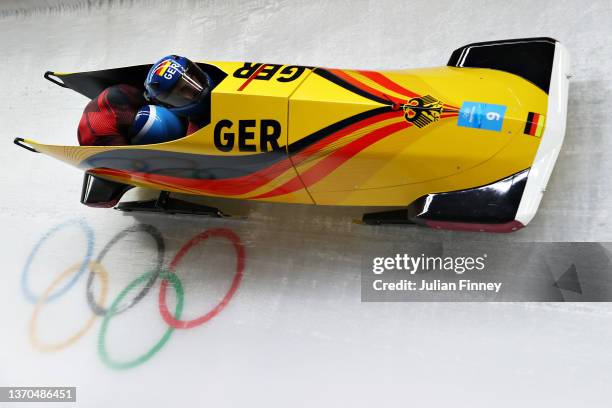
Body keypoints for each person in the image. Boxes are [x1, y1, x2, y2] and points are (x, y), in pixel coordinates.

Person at [143, 55, 214, 134]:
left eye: (191, 78)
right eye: (183, 89)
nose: (193, 88)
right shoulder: (195, 132)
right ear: (171, 102)